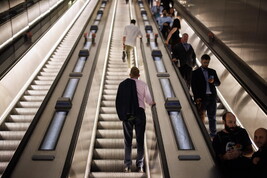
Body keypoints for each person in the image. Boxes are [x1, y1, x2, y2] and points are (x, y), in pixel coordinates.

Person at [116, 67, 155, 173]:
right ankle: (140, 165)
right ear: (139, 75)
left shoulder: (123, 85)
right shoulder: (143, 85)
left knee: (128, 141)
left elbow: (119, 100)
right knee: (140, 140)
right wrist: (153, 103)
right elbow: (149, 101)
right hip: (139, 114)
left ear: (130, 75)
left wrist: (122, 115)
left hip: (128, 115)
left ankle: (127, 165)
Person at [212, 112, 253, 178]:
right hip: (228, 172)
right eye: (230, 122)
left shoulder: (242, 132)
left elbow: (251, 151)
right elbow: (217, 159)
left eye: (234, 122)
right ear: (224, 122)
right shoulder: (218, 137)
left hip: (245, 170)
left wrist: (240, 153)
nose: (233, 125)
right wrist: (225, 157)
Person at [191, 54, 221, 137]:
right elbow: (194, 87)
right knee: (201, 117)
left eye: (207, 63)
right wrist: (196, 98)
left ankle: (213, 134)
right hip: (202, 98)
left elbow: (218, 83)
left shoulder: (212, 71)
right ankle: (202, 134)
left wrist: (213, 81)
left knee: (212, 117)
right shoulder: (195, 73)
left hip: (212, 97)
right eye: (204, 62)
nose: (206, 64)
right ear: (201, 61)